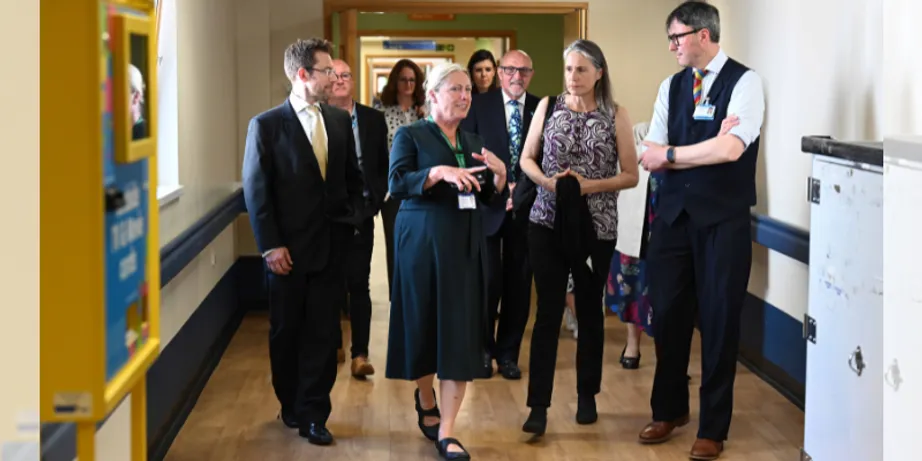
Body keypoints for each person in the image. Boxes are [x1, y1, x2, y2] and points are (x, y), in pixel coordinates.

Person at [637, 2, 765, 459]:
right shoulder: (671, 86)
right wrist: (693, 149)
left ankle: (713, 427)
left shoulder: (745, 83)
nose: (672, 46)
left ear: (704, 35)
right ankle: (669, 410)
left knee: (718, 321)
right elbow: (648, 149)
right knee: (668, 317)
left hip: (722, 223)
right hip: (672, 220)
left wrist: (674, 155)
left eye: (678, 37)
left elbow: (731, 150)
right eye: (670, 39)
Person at [241, 38, 364, 446]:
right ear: (302, 74)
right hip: (286, 254)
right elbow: (257, 192)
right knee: (286, 333)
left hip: (331, 249)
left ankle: (315, 412)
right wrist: (270, 245)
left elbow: (350, 181)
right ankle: (290, 401)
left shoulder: (339, 121)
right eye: (327, 71)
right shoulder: (266, 125)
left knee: (325, 334)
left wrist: (354, 220)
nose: (335, 77)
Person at [385, 62, 507, 460]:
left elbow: (487, 196)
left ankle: (448, 433)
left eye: (468, 89)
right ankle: (425, 397)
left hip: (465, 245)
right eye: (455, 89)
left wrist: (500, 179)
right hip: (421, 242)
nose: (464, 96)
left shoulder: (473, 139)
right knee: (423, 327)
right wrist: (438, 172)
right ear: (432, 95)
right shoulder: (411, 135)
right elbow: (397, 183)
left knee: (459, 333)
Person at [518, 39, 639, 436]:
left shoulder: (615, 115)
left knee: (588, 311)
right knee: (548, 311)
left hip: (596, 226)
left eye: (582, 70)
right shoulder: (547, 106)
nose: (573, 77)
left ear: (599, 72)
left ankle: (587, 394)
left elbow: (631, 174)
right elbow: (527, 158)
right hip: (546, 220)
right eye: (569, 69)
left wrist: (589, 187)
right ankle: (538, 405)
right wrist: (548, 184)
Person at [460, 49, 540, 380]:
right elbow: (468, 153)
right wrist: (499, 186)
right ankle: (482, 350)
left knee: (519, 286)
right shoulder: (479, 105)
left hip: (527, 209)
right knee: (486, 282)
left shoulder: (542, 108)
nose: (516, 76)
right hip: (487, 206)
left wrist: (519, 192)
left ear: (530, 74)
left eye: (523, 71)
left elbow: (548, 157)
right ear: (500, 72)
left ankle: (508, 354)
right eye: (509, 69)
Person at [326, 58, 390, 379]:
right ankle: (335, 344)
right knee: (332, 282)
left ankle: (360, 354)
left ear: (353, 81)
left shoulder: (373, 119)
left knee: (359, 284)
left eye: (345, 75)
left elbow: (382, 163)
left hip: (362, 212)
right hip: (329, 215)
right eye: (333, 75)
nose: (339, 80)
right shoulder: (319, 117)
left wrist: (375, 200)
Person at [375, 59, 427, 299]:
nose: (407, 84)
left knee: (420, 247)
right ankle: (397, 296)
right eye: (403, 79)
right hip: (393, 190)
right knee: (396, 245)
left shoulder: (426, 111)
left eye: (412, 79)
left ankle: (419, 296)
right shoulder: (381, 112)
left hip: (423, 187)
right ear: (395, 82)